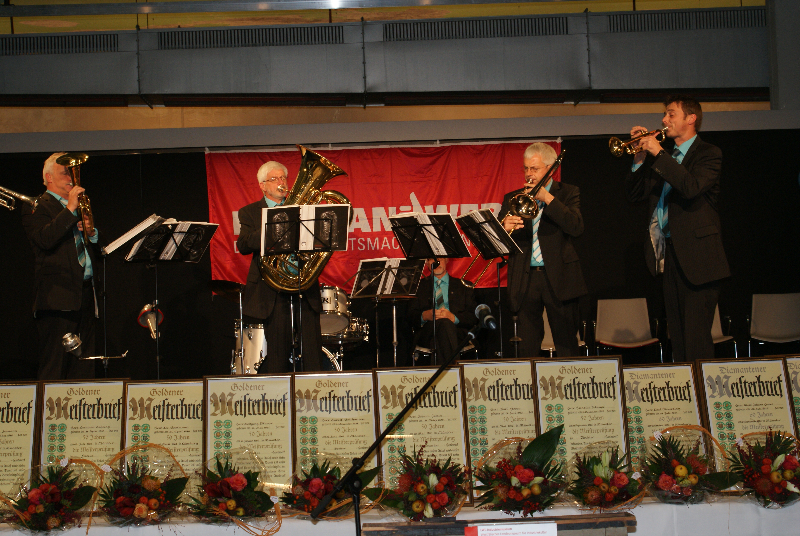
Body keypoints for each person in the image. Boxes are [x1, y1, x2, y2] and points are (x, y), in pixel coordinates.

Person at [625, 95, 729, 362]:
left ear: (691, 118)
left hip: (699, 259)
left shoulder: (708, 153)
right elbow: (635, 195)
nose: (664, 120)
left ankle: (701, 389)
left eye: (671, 114)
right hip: (669, 255)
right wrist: (639, 156)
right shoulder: (665, 158)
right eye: (665, 114)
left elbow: (691, 187)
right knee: (678, 339)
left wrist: (658, 153)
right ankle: (687, 387)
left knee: (696, 338)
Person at [500, 142, 587, 358]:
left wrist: (547, 198)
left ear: (550, 169)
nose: (529, 173)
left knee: (566, 343)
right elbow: (499, 244)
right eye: (526, 168)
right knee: (527, 346)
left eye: (535, 168)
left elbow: (576, 227)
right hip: (525, 278)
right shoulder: (512, 198)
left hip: (559, 277)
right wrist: (504, 229)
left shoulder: (568, 192)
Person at [236, 160, 324, 373]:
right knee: (277, 355)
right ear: (262, 185)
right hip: (272, 292)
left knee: (312, 353)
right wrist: (274, 224)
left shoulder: (303, 210)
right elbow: (244, 245)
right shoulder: (249, 212)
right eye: (274, 179)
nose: (281, 182)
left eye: (283, 178)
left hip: (304, 286)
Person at [21, 153, 98, 380]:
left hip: (85, 293)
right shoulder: (36, 205)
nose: (71, 177)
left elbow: (97, 249)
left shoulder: (79, 207)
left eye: (71, 172)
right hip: (57, 297)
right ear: (49, 177)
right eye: (65, 172)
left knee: (84, 366)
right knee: (54, 366)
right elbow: (45, 240)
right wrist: (70, 209)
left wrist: (92, 233)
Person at [407, 257, 477, 365]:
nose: (437, 262)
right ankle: (452, 368)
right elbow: (409, 316)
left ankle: (443, 370)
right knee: (444, 325)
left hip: (457, 331)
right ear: (427, 263)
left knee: (444, 326)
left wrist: (453, 317)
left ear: (447, 260)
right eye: (432, 259)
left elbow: (473, 317)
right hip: (428, 331)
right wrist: (425, 316)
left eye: (440, 258)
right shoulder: (418, 287)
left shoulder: (463, 286)